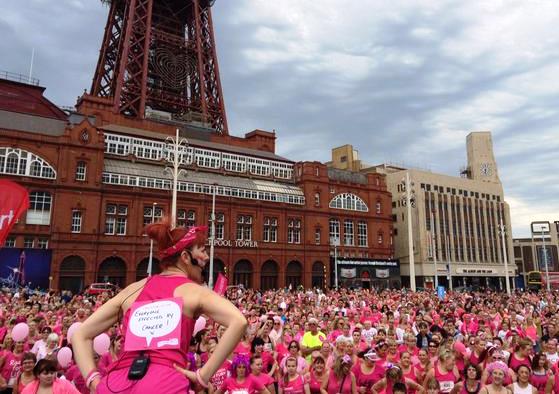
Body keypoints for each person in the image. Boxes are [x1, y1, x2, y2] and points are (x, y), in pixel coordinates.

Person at [73, 223, 248, 394]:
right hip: (166, 382)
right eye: (202, 250)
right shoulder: (194, 292)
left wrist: (93, 381)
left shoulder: (132, 289)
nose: (207, 257)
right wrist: (203, 375)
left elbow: (81, 334)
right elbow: (238, 321)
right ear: (185, 257)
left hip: (117, 382)